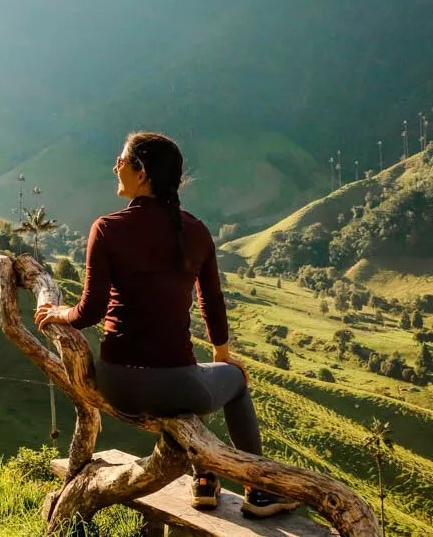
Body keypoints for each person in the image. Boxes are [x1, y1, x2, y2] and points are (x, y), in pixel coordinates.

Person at [34, 131, 299, 519]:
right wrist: (224, 357)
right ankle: (257, 492)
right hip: (176, 386)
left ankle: (205, 477)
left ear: (141, 174)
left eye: (121, 160)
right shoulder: (195, 231)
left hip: (117, 383)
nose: (115, 167)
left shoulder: (107, 228)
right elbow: (212, 301)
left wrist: (58, 312)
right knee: (230, 381)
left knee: (195, 377)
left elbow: (89, 312)